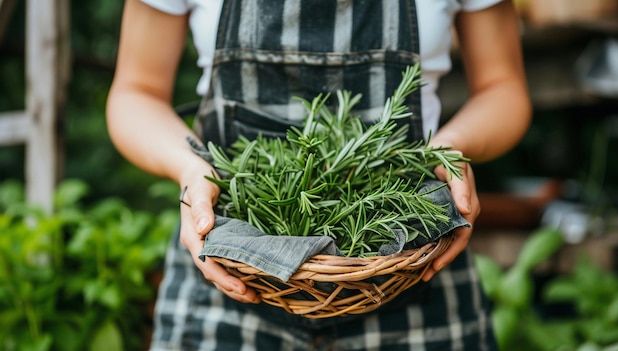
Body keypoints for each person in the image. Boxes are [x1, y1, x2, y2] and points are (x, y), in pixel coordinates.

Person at [106, 0, 531, 349]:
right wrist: (190, 166)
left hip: (414, 266)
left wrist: (450, 150)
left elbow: (503, 87)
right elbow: (135, 92)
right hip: (224, 277)